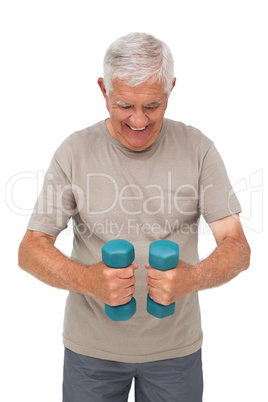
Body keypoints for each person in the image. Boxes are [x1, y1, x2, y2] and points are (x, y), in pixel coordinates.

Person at [18, 32, 250, 401]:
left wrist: (193, 278)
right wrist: (88, 280)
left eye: (153, 106)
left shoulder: (198, 149)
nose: (139, 120)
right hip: (91, 352)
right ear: (104, 90)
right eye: (125, 104)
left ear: (171, 90)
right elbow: (30, 249)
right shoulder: (75, 151)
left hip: (175, 352)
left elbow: (237, 246)